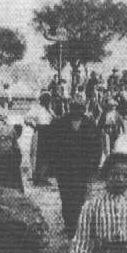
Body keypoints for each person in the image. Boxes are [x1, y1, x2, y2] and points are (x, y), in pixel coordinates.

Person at [52, 98, 103, 235]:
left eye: (80, 108)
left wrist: (94, 165)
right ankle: (69, 225)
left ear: (84, 109)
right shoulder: (61, 123)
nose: (77, 111)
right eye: (74, 108)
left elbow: (98, 146)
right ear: (70, 108)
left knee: (80, 196)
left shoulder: (90, 124)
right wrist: (55, 166)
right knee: (66, 197)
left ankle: (80, 225)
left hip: (83, 169)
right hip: (65, 169)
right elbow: (53, 146)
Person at [24, 92, 55, 185]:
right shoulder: (36, 109)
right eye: (47, 100)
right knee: (38, 155)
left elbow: (53, 118)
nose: (49, 102)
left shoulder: (49, 110)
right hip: (40, 131)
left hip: (48, 132)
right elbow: (26, 118)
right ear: (43, 100)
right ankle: (37, 177)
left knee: (46, 155)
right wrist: (33, 125)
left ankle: (44, 177)